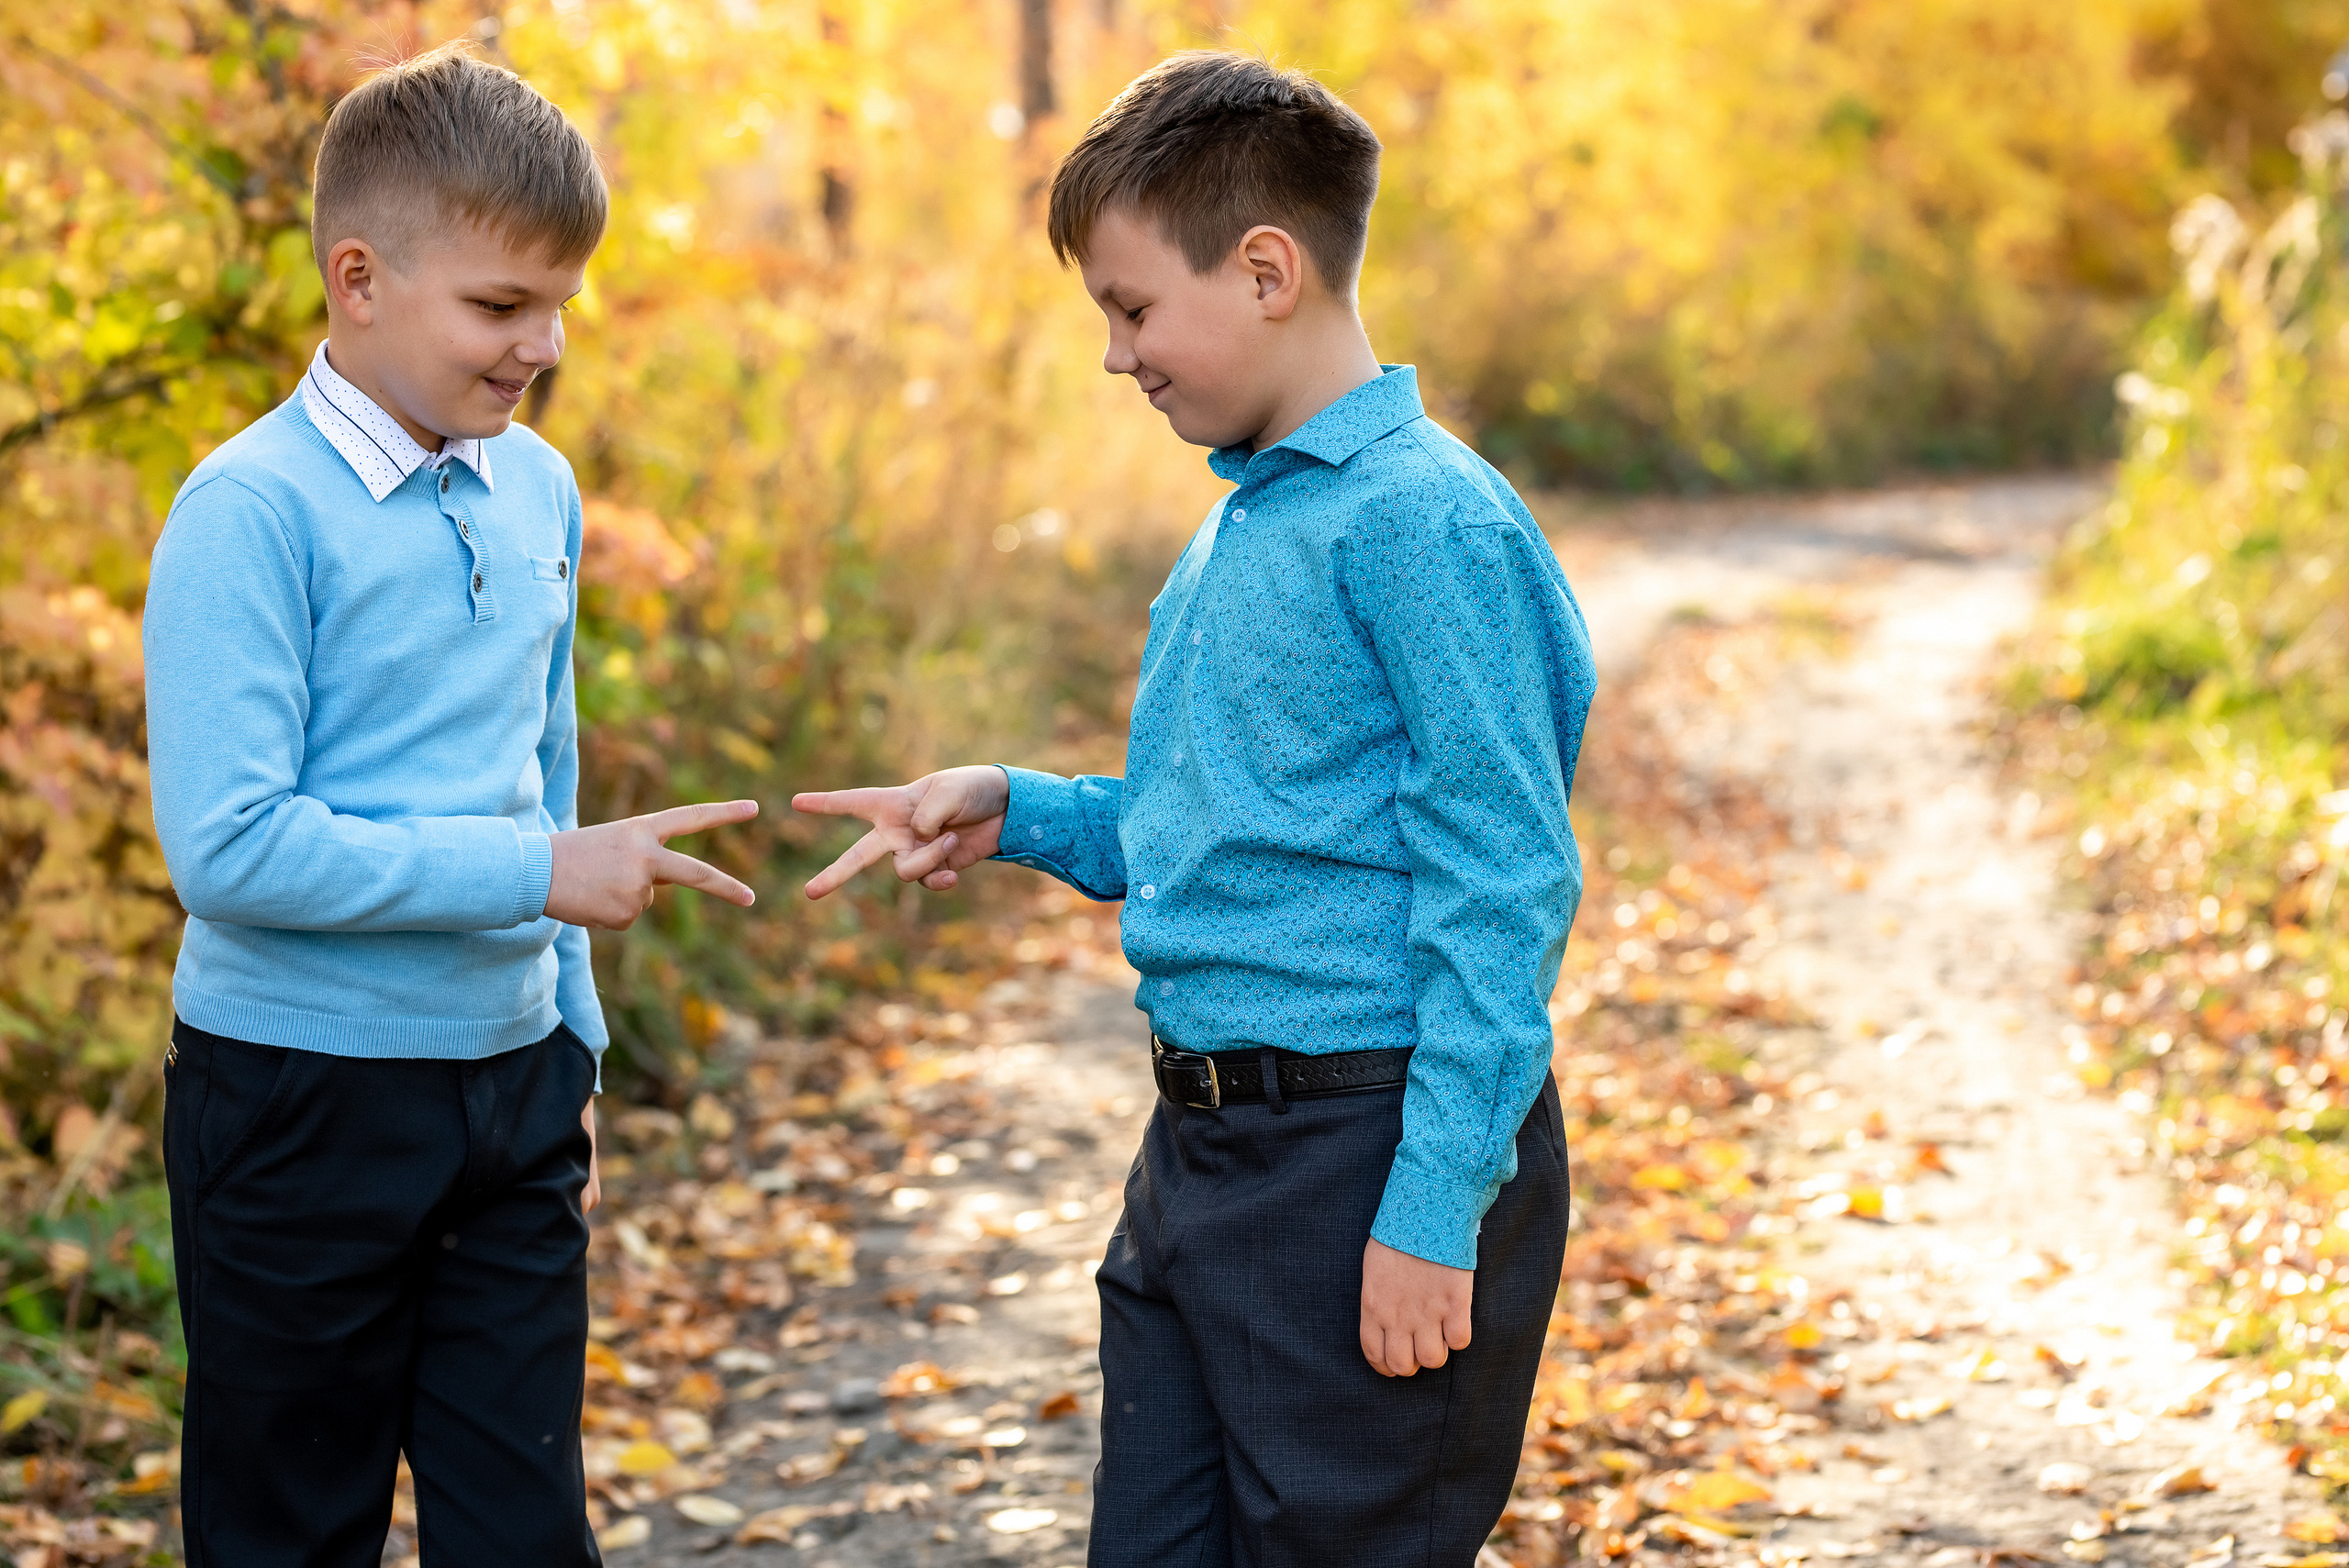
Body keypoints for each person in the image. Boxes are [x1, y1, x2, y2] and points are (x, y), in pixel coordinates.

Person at [794, 50, 1594, 1567]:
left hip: (1362, 1151)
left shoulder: (1426, 521)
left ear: (1268, 270)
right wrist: (1013, 806)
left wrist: (1433, 1207)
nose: (1117, 355)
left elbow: (1505, 884)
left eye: (1132, 307)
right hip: (1199, 1163)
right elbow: (1218, 835)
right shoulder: (1248, 521)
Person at [142, 42, 757, 1566]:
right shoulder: (249, 511)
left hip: (512, 1086)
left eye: (557, 305)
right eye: (499, 306)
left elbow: (538, 760)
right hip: (297, 1097)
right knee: (292, 1526)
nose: (539, 343)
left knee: (524, 1531)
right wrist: (537, 876)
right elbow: (228, 848)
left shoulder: (533, 485)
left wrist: (572, 1039)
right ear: (359, 277)